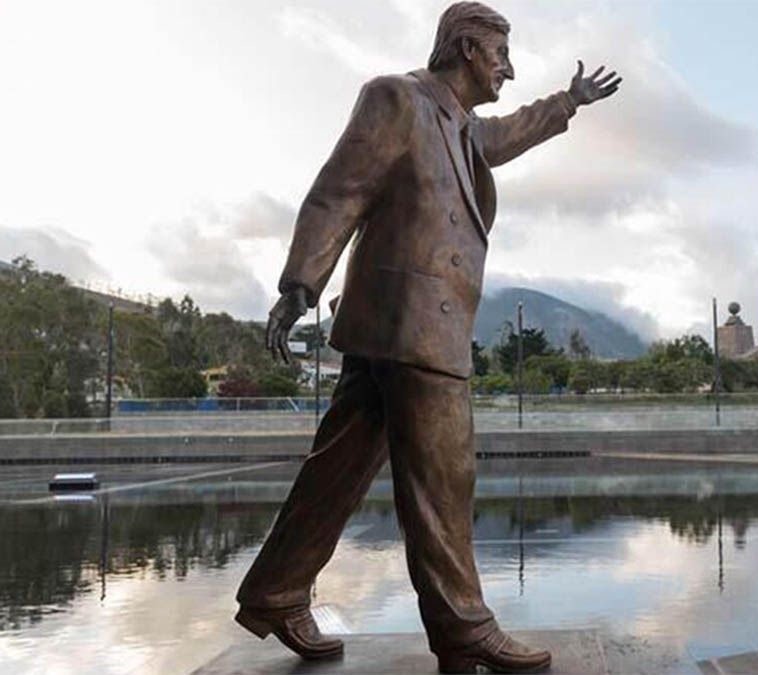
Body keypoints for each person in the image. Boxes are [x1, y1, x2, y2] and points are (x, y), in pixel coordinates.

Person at [232, 3, 620, 673]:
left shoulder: (463, 128)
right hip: (409, 319)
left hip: (407, 324)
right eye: (501, 54)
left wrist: (570, 102)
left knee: (339, 468)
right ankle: (462, 625)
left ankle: (276, 591)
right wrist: (301, 283)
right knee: (444, 472)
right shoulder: (397, 99)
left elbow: (510, 132)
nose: (509, 67)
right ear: (468, 49)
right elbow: (338, 191)